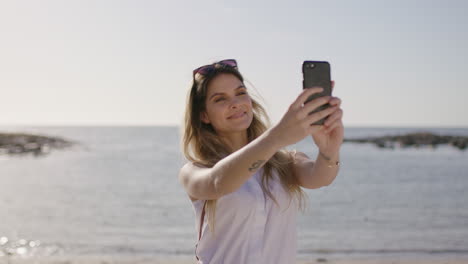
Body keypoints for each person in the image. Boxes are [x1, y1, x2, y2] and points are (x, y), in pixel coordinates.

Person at [178, 59, 343, 264]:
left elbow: (320, 177)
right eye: (220, 99)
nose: (236, 103)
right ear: (204, 115)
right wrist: (277, 137)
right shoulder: (195, 170)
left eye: (240, 93)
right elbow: (218, 182)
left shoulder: (285, 161)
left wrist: (330, 149)